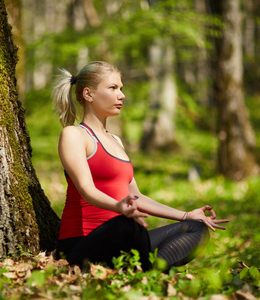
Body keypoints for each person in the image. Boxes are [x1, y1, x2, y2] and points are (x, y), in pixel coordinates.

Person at [52, 61, 228, 271]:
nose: (122, 95)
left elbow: (136, 197)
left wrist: (187, 215)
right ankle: (145, 275)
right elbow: (86, 190)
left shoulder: (116, 140)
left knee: (196, 229)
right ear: (89, 94)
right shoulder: (74, 135)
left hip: (124, 236)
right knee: (128, 225)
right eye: (113, 88)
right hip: (84, 241)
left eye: (121, 88)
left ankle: (144, 272)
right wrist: (119, 207)